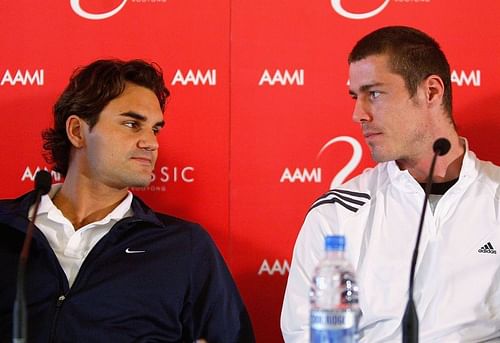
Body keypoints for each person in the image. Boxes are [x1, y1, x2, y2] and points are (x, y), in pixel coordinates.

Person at [0, 59, 255, 342]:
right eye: (132, 124)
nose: (151, 142)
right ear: (77, 132)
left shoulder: (185, 246)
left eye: (155, 129)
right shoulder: (6, 225)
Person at [281, 26, 500, 342]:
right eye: (355, 97)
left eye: (375, 94)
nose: (358, 114)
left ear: (431, 92)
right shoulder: (336, 215)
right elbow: (304, 335)